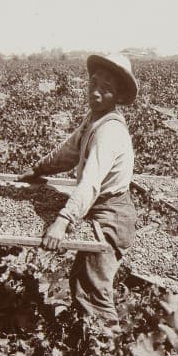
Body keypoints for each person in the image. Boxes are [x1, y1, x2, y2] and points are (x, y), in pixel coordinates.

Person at [18, 53, 138, 326]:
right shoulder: (94, 119)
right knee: (82, 281)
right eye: (93, 84)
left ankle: (109, 353)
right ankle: (92, 341)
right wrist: (38, 170)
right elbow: (69, 151)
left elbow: (91, 182)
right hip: (98, 206)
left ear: (117, 96)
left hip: (112, 215)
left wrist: (62, 222)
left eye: (106, 90)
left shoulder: (110, 132)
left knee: (93, 291)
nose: (95, 93)